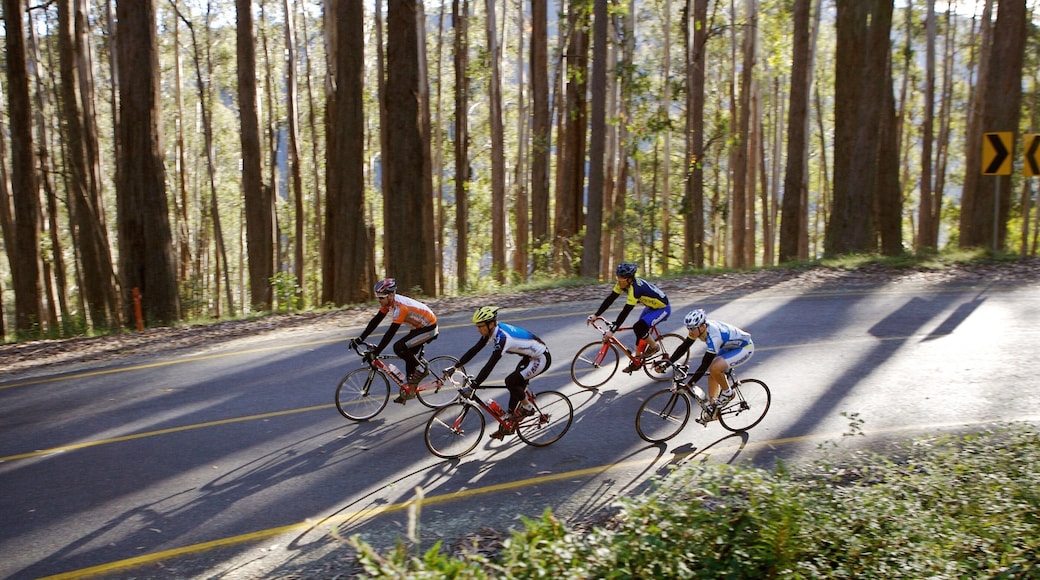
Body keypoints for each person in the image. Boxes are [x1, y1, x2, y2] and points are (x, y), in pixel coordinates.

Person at [451, 306, 551, 440]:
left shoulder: (503, 338)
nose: (478, 329)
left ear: (491, 324)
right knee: (514, 384)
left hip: (540, 358)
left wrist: (473, 385)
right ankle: (509, 422)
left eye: (480, 326)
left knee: (511, 381)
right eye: (477, 326)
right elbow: (475, 350)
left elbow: (490, 365)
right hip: (529, 357)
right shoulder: (492, 331)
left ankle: (528, 407)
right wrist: (455, 366)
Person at [349, 278, 438, 404]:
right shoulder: (389, 303)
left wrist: (377, 352)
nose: (379, 300)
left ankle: (422, 370)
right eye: (377, 297)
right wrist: (360, 339)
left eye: (381, 297)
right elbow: (376, 320)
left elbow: (390, 333)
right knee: (408, 356)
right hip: (418, 328)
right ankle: (409, 390)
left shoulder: (401, 307)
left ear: (391, 295)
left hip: (429, 328)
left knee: (399, 347)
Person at [663, 308, 754, 420]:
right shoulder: (699, 330)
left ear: (702, 326)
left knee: (714, 368)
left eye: (692, 328)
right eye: (688, 328)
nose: (690, 331)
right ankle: (713, 410)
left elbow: (704, 364)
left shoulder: (714, 337)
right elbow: (684, 347)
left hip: (744, 348)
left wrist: (690, 384)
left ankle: (728, 393)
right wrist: (667, 364)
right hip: (729, 346)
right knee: (713, 375)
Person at [588, 262, 671, 373]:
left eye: (621, 279)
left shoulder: (635, 290)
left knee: (639, 327)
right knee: (639, 330)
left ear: (630, 279)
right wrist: (596, 315)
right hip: (651, 308)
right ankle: (637, 361)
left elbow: (626, 311)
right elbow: (610, 299)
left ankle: (654, 346)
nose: (619, 281)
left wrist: (613, 330)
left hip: (663, 309)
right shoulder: (622, 284)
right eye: (618, 278)